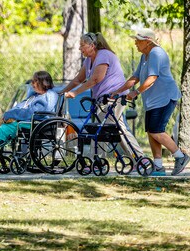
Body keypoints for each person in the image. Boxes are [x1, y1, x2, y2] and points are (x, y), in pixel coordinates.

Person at [111, 28, 190, 176]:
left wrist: (136, 92)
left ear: (147, 42)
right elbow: (135, 78)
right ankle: (158, 166)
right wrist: (117, 91)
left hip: (165, 97)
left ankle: (180, 156)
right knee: (151, 132)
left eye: (138, 40)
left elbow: (152, 78)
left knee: (156, 131)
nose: (135, 43)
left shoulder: (156, 53)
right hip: (153, 100)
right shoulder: (145, 56)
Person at [60, 32, 145, 160]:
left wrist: (75, 93)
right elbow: (78, 79)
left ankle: (96, 160)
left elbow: (95, 79)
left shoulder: (104, 55)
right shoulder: (89, 60)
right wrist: (63, 91)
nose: (79, 48)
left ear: (92, 45)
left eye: (82, 45)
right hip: (103, 99)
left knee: (101, 129)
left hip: (113, 98)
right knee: (118, 129)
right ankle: (138, 158)